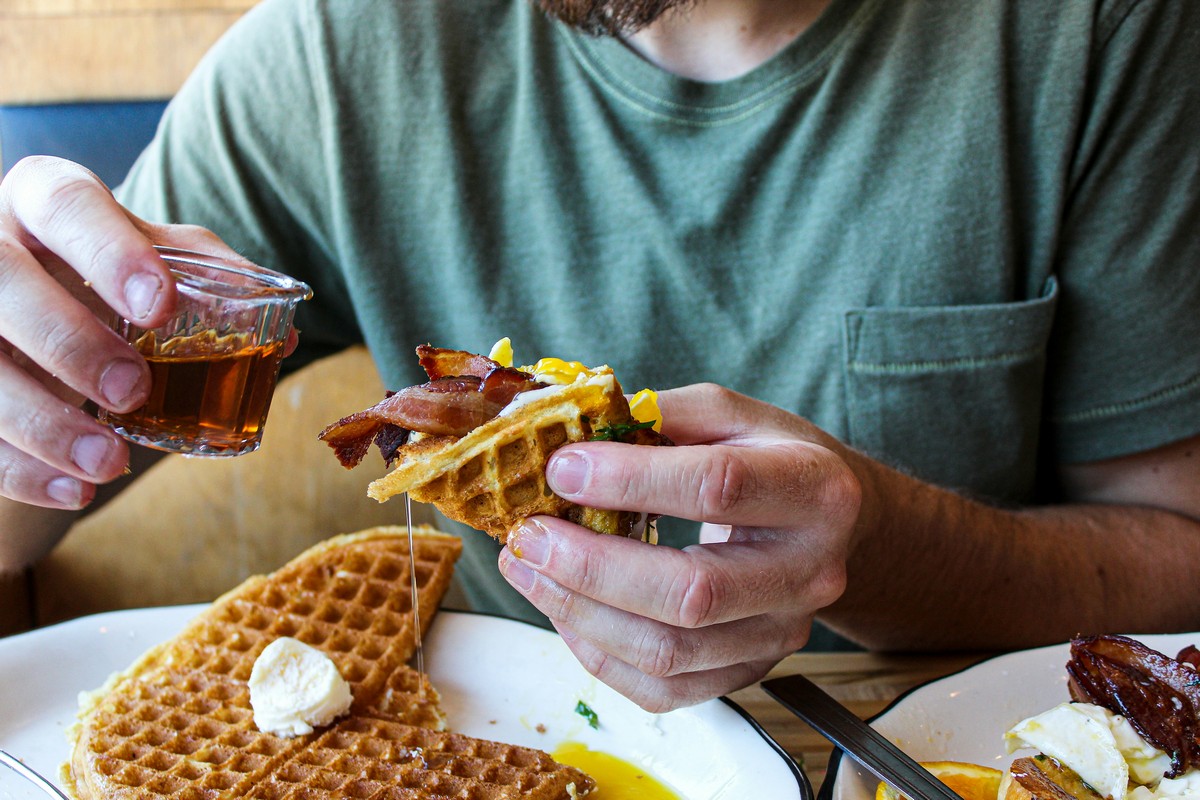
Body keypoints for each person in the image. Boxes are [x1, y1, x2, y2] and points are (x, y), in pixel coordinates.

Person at [1, 0, 1198, 713]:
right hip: (518, 741)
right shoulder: (341, 53)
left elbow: (1180, 550)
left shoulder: (1099, 35)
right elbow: (36, 477)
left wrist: (882, 547)